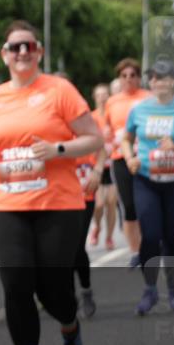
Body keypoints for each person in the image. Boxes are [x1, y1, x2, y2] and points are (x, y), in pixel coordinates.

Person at [0, 21, 103, 345]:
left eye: (29, 46)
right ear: (4, 54)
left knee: (54, 288)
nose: (22, 53)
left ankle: (70, 326)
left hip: (56, 203)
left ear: (39, 51)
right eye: (15, 47)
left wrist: (58, 150)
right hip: (5, 203)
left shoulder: (59, 91)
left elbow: (94, 138)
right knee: (16, 285)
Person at [121, 61, 174, 315]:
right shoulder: (139, 110)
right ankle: (150, 290)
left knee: (171, 237)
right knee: (151, 236)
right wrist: (129, 158)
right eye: (153, 77)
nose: (157, 81)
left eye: (163, 77)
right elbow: (126, 139)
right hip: (146, 180)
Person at [105, 58, 150, 269]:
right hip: (120, 158)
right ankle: (135, 252)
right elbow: (107, 129)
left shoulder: (148, 98)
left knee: (147, 205)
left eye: (133, 75)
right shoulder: (112, 102)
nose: (129, 79)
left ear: (139, 78)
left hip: (145, 157)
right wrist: (108, 138)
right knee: (129, 206)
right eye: (124, 76)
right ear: (119, 79)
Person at [73, 131, 107, 320]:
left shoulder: (82, 123)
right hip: (59, 196)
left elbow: (101, 148)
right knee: (60, 250)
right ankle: (67, 297)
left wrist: (98, 170)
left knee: (76, 247)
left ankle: (86, 291)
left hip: (85, 193)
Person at [88, 84, 117, 250]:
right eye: (99, 95)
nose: (102, 97)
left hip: (112, 162)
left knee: (111, 202)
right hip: (96, 163)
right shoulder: (91, 117)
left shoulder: (114, 115)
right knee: (99, 203)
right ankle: (97, 226)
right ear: (94, 97)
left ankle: (109, 237)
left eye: (105, 94)